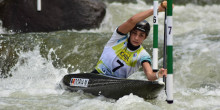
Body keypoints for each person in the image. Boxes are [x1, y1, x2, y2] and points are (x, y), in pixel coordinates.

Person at [92, 1, 169, 81]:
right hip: (96, 76)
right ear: (130, 32)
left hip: (116, 84)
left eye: (141, 35)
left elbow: (149, 75)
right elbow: (132, 20)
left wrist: (158, 74)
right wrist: (157, 9)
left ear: (145, 38)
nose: (136, 38)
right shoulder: (118, 38)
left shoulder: (142, 54)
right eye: (134, 33)